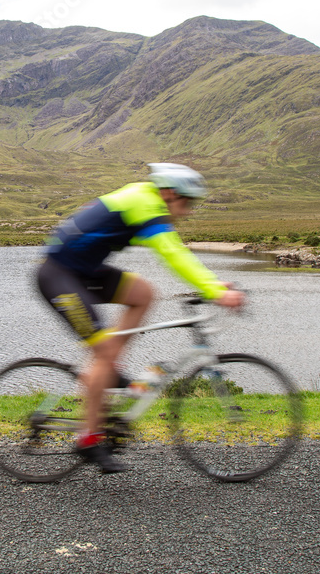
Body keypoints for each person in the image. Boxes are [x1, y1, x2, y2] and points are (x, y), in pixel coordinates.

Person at [37, 163, 245, 473]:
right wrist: (215, 291)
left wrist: (214, 285)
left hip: (83, 272)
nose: (187, 212)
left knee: (143, 293)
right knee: (104, 352)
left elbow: (174, 250)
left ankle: (108, 369)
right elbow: (173, 254)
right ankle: (88, 439)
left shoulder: (145, 198)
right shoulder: (145, 203)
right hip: (58, 276)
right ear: (170, 194)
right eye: (187, 203)